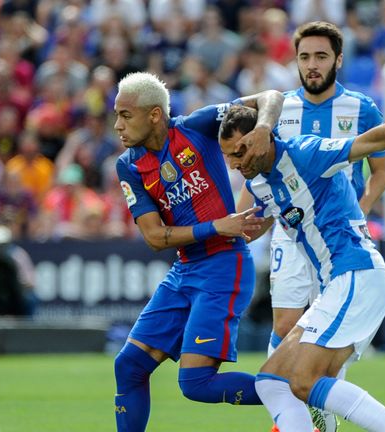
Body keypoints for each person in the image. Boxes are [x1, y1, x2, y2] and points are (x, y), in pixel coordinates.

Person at [218, 99, 385, 431]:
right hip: (336, 284)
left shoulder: (307, 153)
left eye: (240, 151)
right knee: (270, 381)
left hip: (357, 273)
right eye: (229, 156)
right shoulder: (259, 183)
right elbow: (248, 226)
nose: (235, 163)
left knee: (305, 381)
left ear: (263, 136)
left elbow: (372, 141)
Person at [238, 21, 385, 431]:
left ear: (338, 59)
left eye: (321, 56)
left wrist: (360, 208)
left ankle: (321, 417)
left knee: (327, 335)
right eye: (304, 57)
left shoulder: (361, 108)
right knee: (287, 327)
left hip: (338, 234)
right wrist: (246, 220)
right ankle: (298, 415)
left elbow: (379, 174)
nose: (312, 65)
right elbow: (259, 173)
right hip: (290, 233)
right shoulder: (278, 110)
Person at [112, 71, 282, 432]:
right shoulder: (128, 165)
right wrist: (217, 225)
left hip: (224, 264)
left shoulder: (198, 125)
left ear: (155, 114)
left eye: (125, 115)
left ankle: (303, 394)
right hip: (184, 269)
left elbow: (271, 96)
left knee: (196, 383)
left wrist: (263, 129)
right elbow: (155, 237)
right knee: (128, 367)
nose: (117, 126)